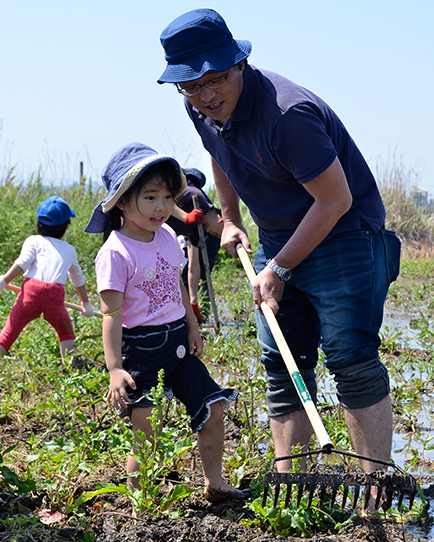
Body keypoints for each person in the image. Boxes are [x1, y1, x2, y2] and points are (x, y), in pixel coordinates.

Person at [157, 9, 401, 477]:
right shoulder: (198, 106)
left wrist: (280, 268)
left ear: (239, 64)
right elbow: (219, 153)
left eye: (217, 79)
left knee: (350, 358)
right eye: (190, 85)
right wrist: (229, 219)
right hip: (276, 239)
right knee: (283, 361)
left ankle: (375, 484)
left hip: (344, 236)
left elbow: (335, 200)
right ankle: (291, 480)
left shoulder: (288, 116)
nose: (207, 95)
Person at [85, 142, 248, 503]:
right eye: (150, 198)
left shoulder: (167, 238)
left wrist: (192, 325)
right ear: (122, 202)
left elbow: (175, 285)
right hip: (140, 350)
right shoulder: (115, 253)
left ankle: (215, 483)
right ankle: (140, 504)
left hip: (177, 342)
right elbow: (111, 315)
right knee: (148, 433)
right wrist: (114, 368)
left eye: (166, 197)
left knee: (212, 410)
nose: (161, 207)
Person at [0, 196, 95, 362]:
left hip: (30, 292)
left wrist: (5, 280)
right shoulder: (70, 250)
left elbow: (22, 264)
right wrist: (86, 303)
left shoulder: (33, 241)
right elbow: (77, 279)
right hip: (55, 295)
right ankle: (71, 368)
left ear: (38, 223)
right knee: (65, 332)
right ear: (66, 227)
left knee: (10, 331)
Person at [165, 167, 223, 323]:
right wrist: (185, 216)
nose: (218, 236)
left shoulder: (200, 230)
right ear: (221, 220)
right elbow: (166, 198)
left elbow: (194, 266)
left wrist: (194, 299)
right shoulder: (196, 196)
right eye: (220, 233)